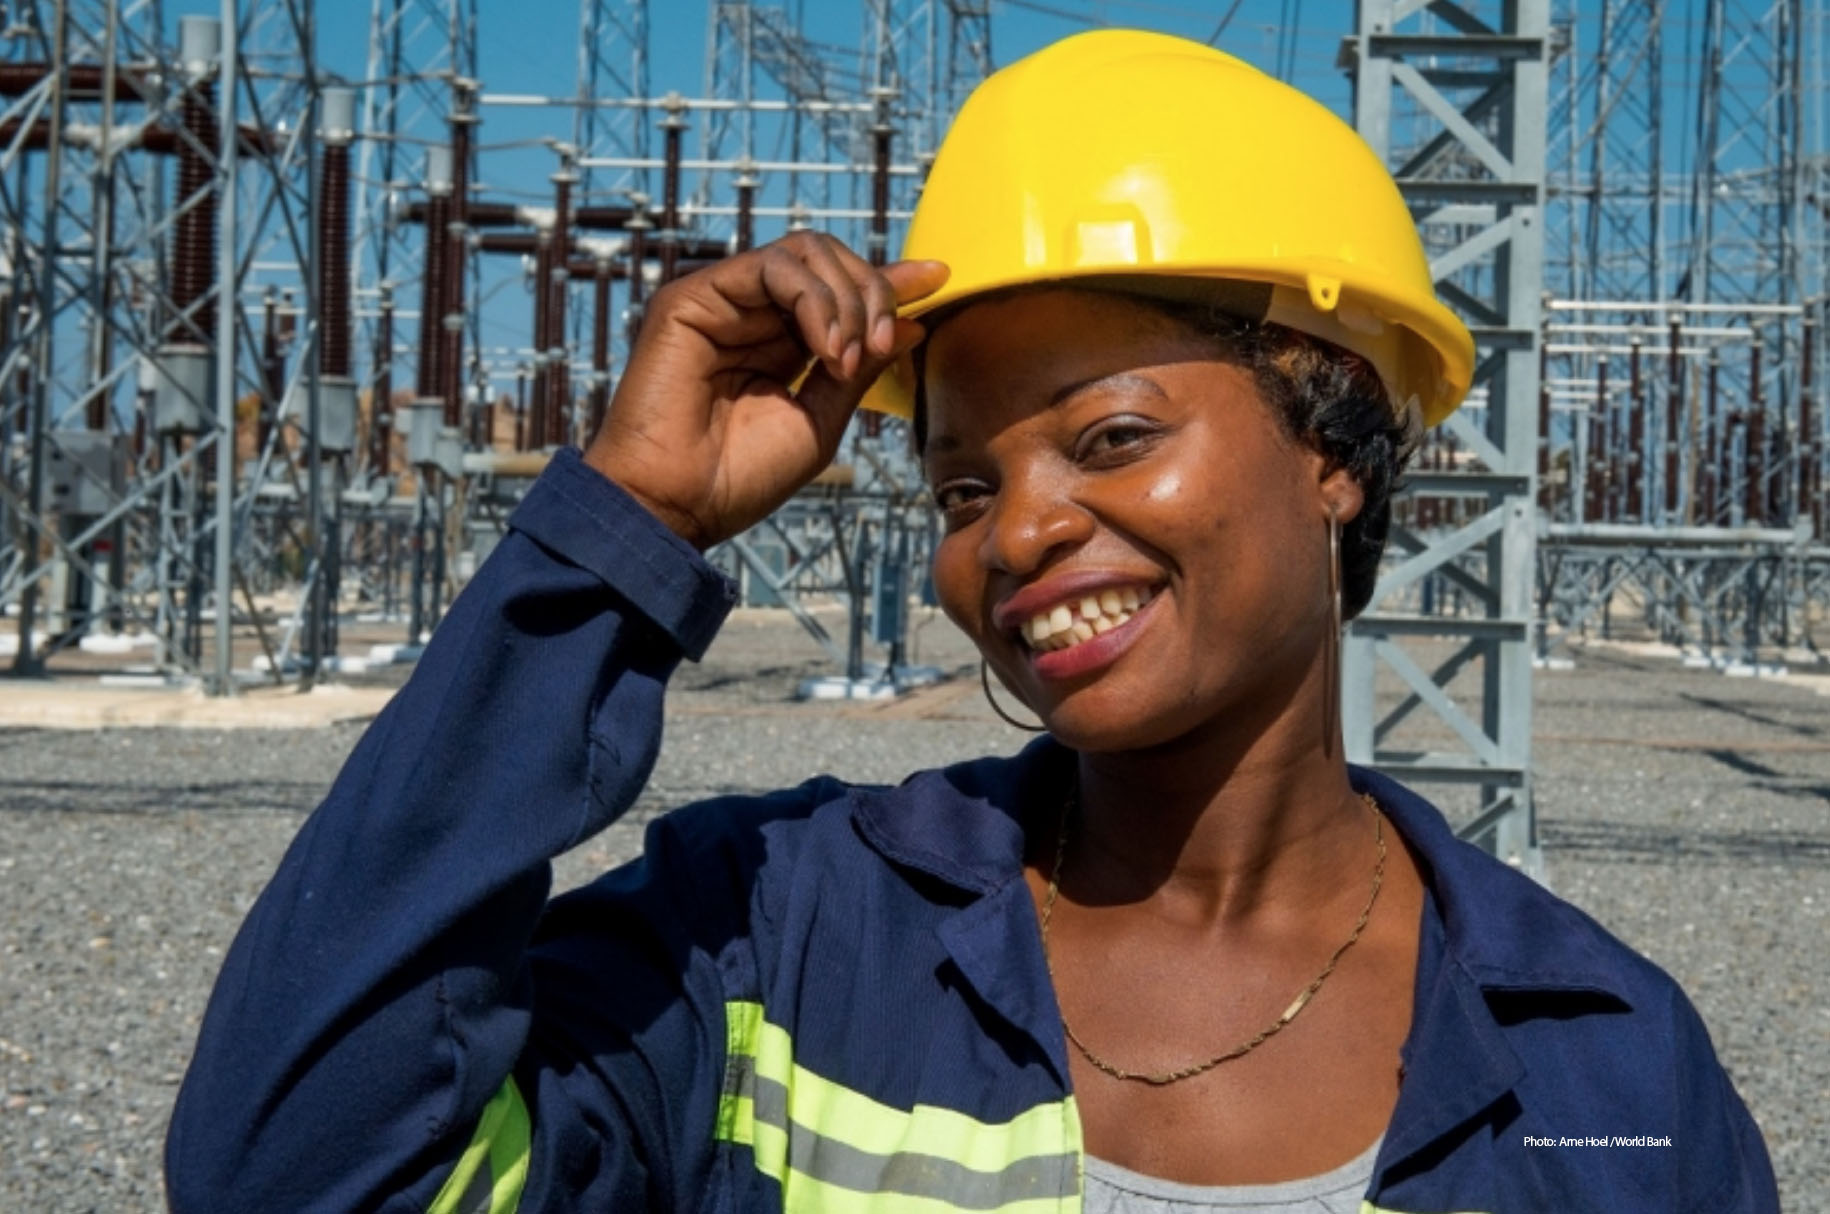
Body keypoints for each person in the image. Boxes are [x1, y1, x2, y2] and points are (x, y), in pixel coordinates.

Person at [166, 29, 1778, 1214]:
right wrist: (620, 533)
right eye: (954, 489)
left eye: (1111, 436)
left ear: (1333, 445)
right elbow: (297, 1168)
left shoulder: (1606, 1069)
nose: (1013, 533)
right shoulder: (777, 938)